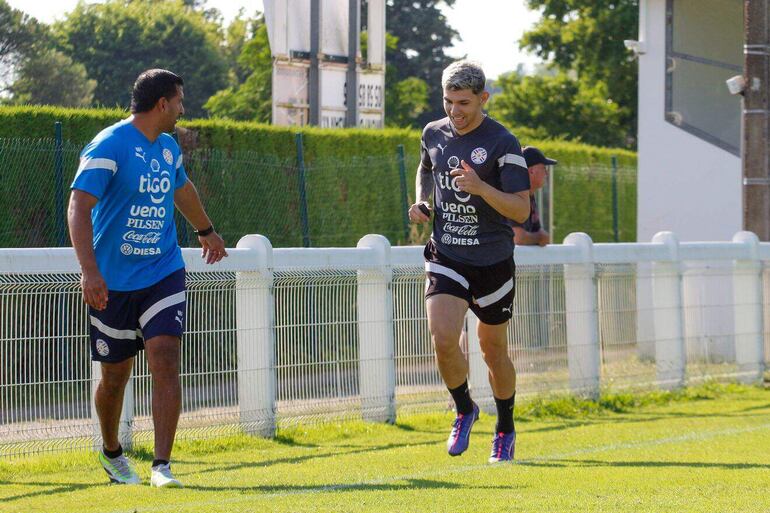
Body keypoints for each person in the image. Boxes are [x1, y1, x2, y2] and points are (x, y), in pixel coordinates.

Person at [68, 69, 227, 487]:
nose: (181, 110)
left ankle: (162, 466)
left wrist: (206, 230)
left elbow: (181, 188)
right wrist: (90, 272)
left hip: (163, 271)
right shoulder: (109, 144)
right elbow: (79, 207)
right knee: (114, 377)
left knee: (164, 356)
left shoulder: (169, 148)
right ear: (162, 104)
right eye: (179, 102)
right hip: (113, 282)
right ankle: (112, 452)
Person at [408, 60, 530, 463]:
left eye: (463, 103)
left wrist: (479, 187)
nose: (454, 111)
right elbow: (426, 168)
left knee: (492, 350)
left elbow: (520, 211)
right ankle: (464, 408)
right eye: (448, 102)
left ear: (483, 99)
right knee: (443, 338)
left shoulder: (503, 142)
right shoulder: (433, 132)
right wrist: (423, 201)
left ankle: (506, 428)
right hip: (448, 253)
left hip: (492, 261)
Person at [511, 147, 556, 246]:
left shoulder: (529, 195)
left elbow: (537, 231)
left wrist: (541, 236)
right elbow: (517, 238)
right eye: (544, 168)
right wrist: (540, 237)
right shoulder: (514, 195)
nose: (547, 173)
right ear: (531, 171)